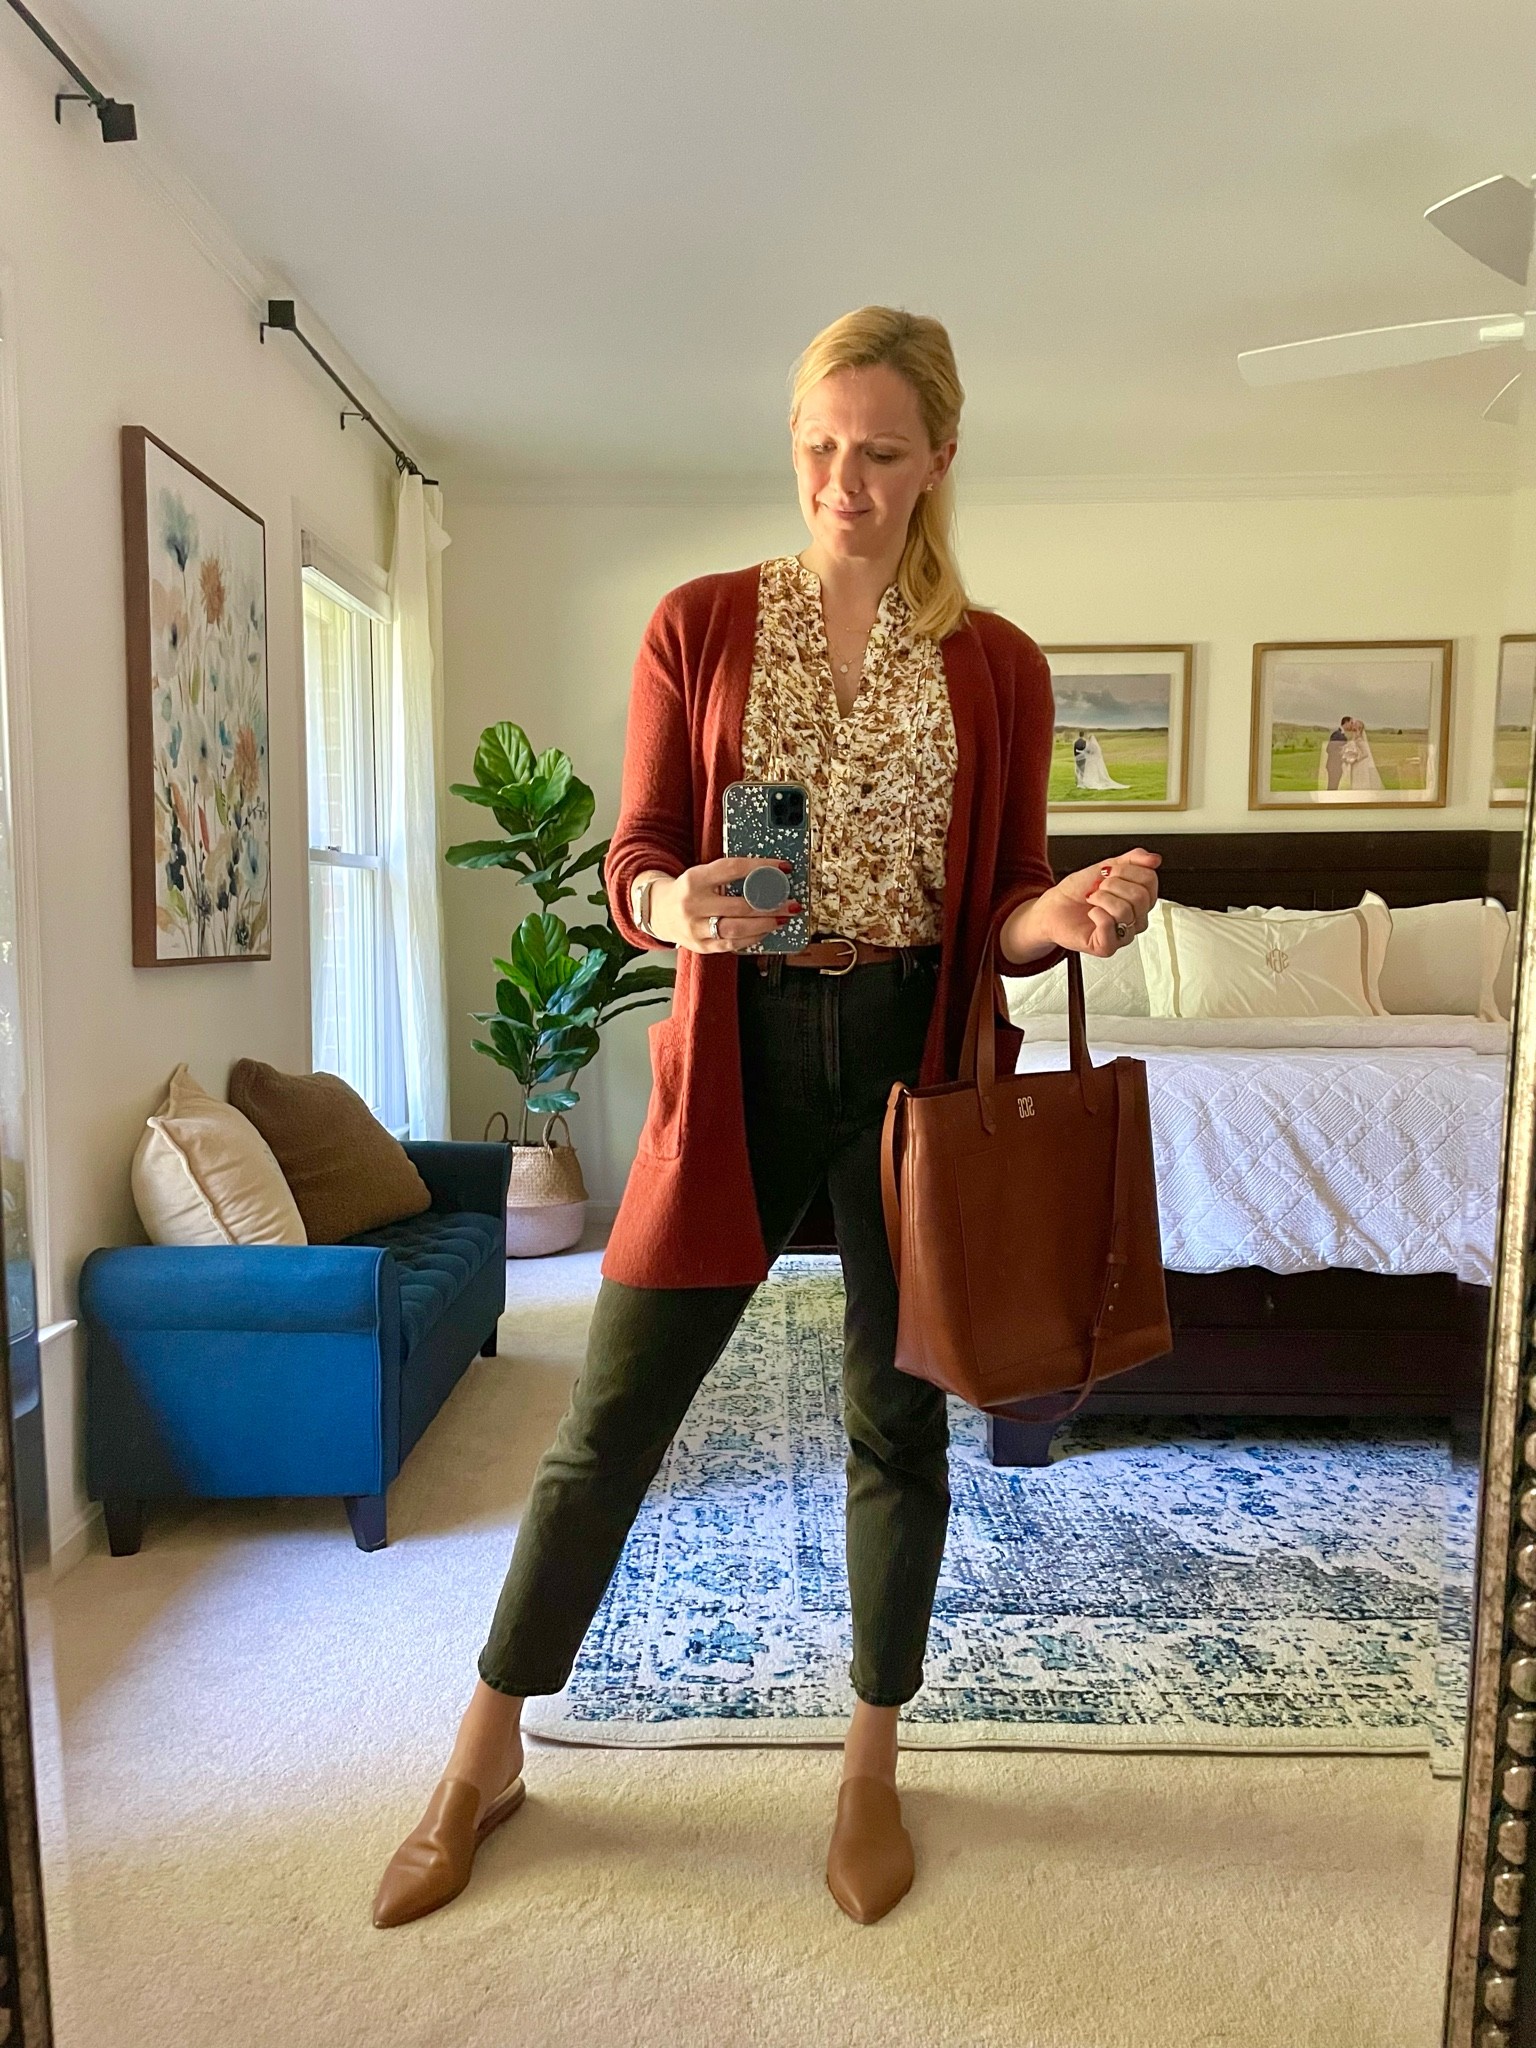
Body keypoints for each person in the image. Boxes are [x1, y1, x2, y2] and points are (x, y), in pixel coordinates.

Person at [371, 306, 1160, 1932]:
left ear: (941, 459)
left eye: (880, 453)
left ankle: (872, 1756)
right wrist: (680, 908)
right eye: (818, 445)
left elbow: (997, 903)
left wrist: (1059, 917)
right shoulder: (704, 623)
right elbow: (637, 855)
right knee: (610, 1423)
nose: (842, 481)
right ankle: (483, 1750)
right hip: (736, 1053)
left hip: (915, 1071)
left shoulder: (997, 664)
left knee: (897, 1416)